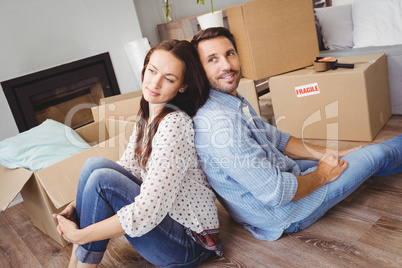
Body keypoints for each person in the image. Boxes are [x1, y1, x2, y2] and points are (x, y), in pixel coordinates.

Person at [190, 27, 402, 241]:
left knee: (356, 158)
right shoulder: (220, 124)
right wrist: (322, 175)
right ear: (200, 69)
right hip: (281, 212)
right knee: (377, 154)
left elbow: (277, 139)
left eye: (230, 53)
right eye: (212, 59)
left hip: (282, 176)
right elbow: (277, 192)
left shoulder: (228, 99)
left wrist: (332, 152)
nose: (226, 65)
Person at [52, 39, 223, 268]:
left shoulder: (175, 124)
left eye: (169, 79)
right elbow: (128, 166)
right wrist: (77, 204)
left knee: (102, 180)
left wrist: (80, 235)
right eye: (152, 71)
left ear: (182, 86)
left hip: (189, 244)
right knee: (94, 165)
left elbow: (148, 211)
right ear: (144, 69)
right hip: (169, 223)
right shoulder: (148, 114)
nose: (155, 82)